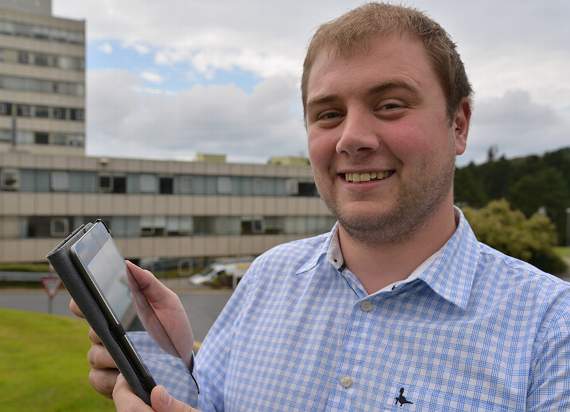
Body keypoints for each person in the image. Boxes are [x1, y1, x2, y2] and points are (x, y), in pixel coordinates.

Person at [71, 3, 570, 411]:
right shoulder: (267, 277)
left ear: (458, 124)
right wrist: (171, 362)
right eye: (328, 114)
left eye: (390, 104)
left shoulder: (550, 329)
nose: (351, 138)